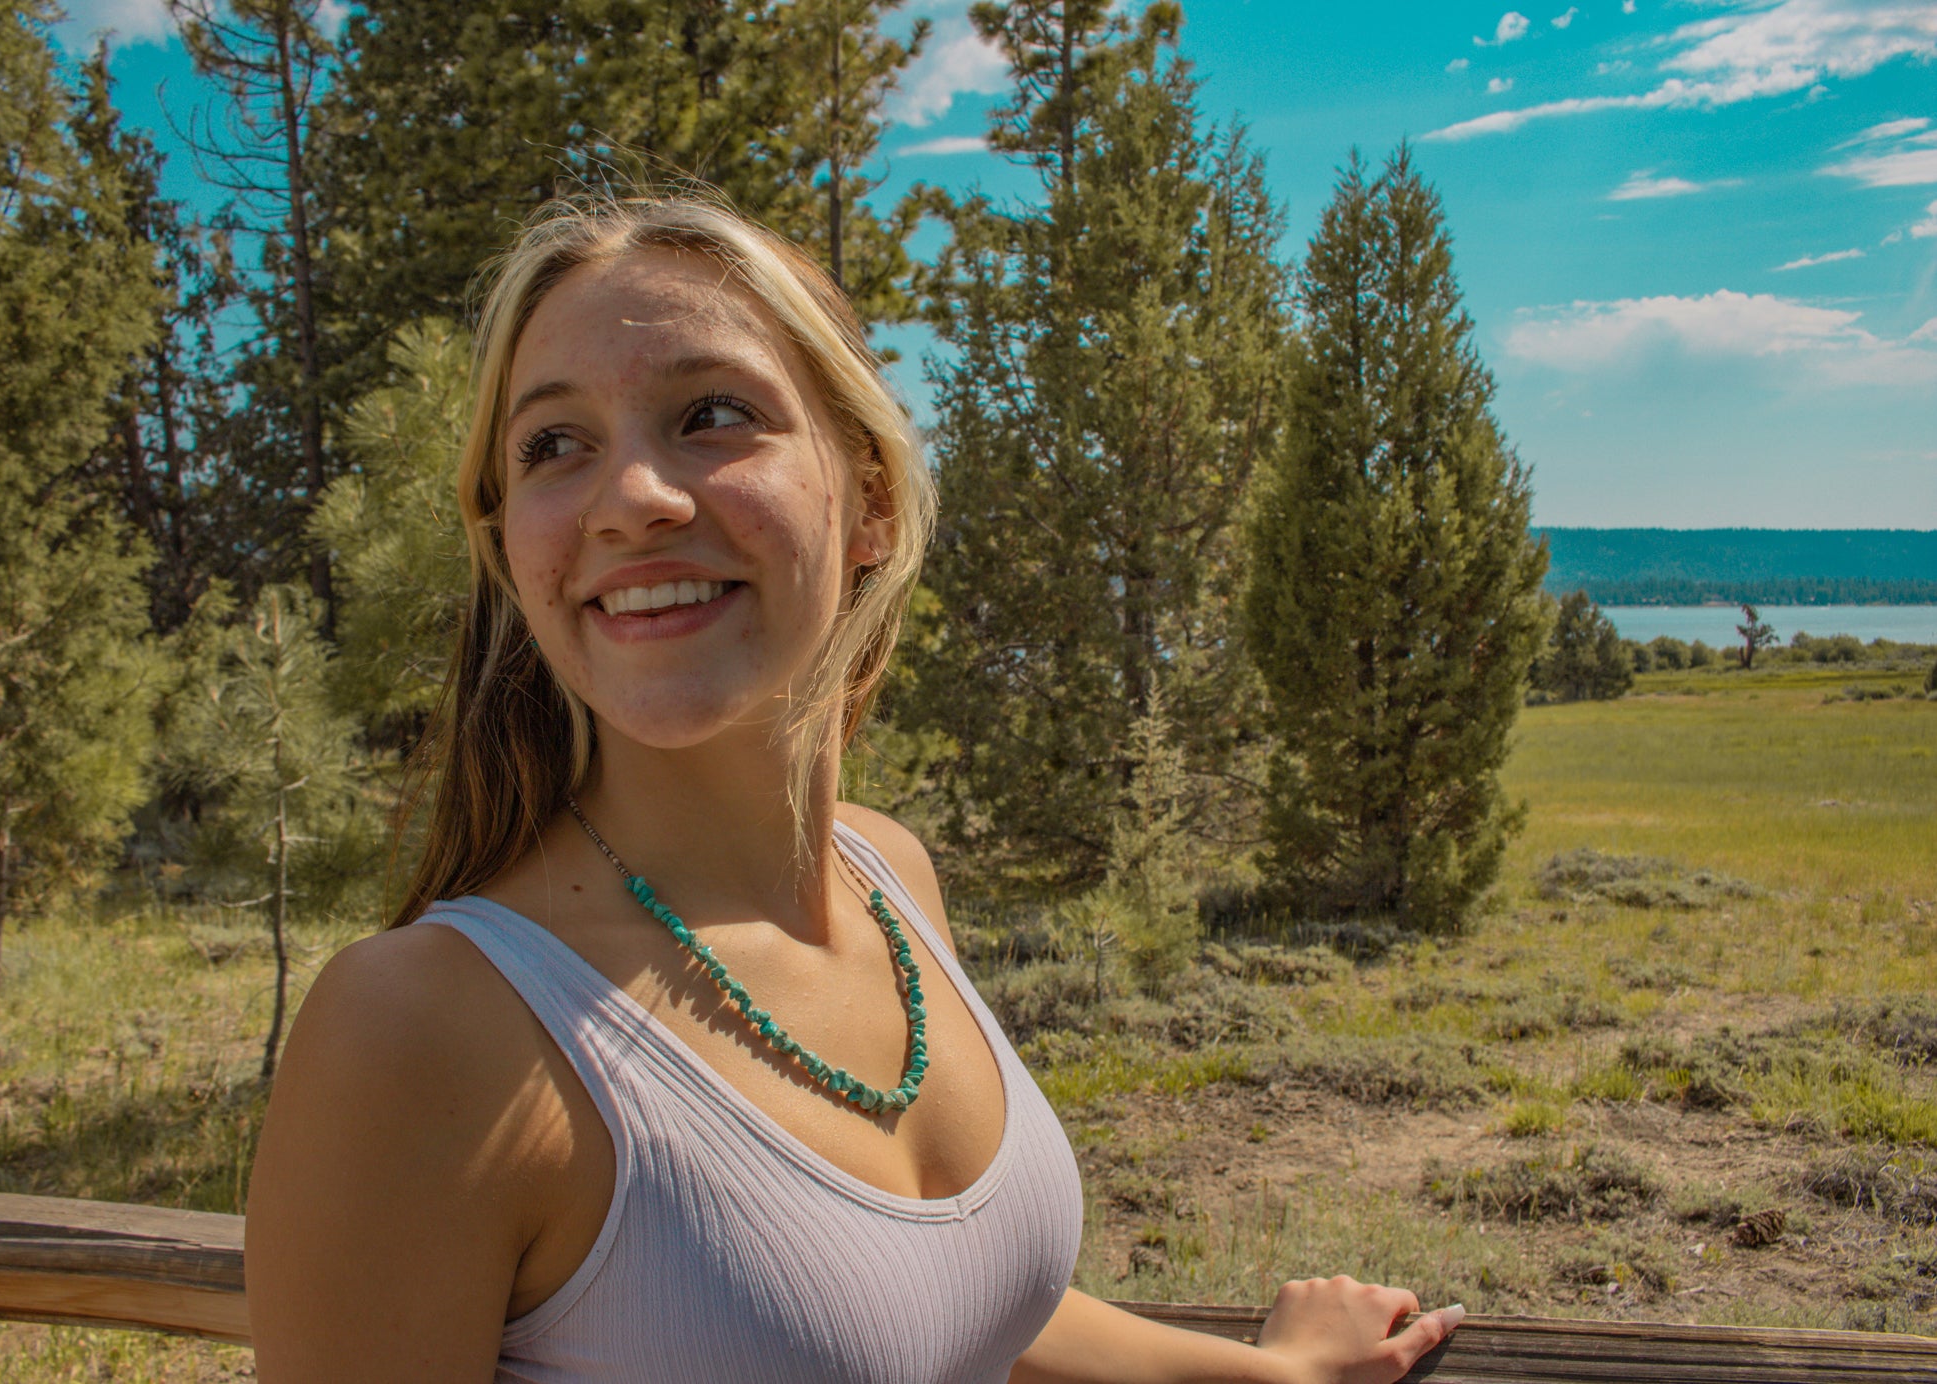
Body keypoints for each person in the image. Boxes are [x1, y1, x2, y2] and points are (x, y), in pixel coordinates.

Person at [243, 192, 1464, 1384]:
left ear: (871, 495)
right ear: (513, 542)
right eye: (554, 444)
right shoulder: (417, 1031)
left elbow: (937, 1308)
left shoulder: (890, 873)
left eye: (712, 414)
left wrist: (1268, 1375)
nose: (632, 501)